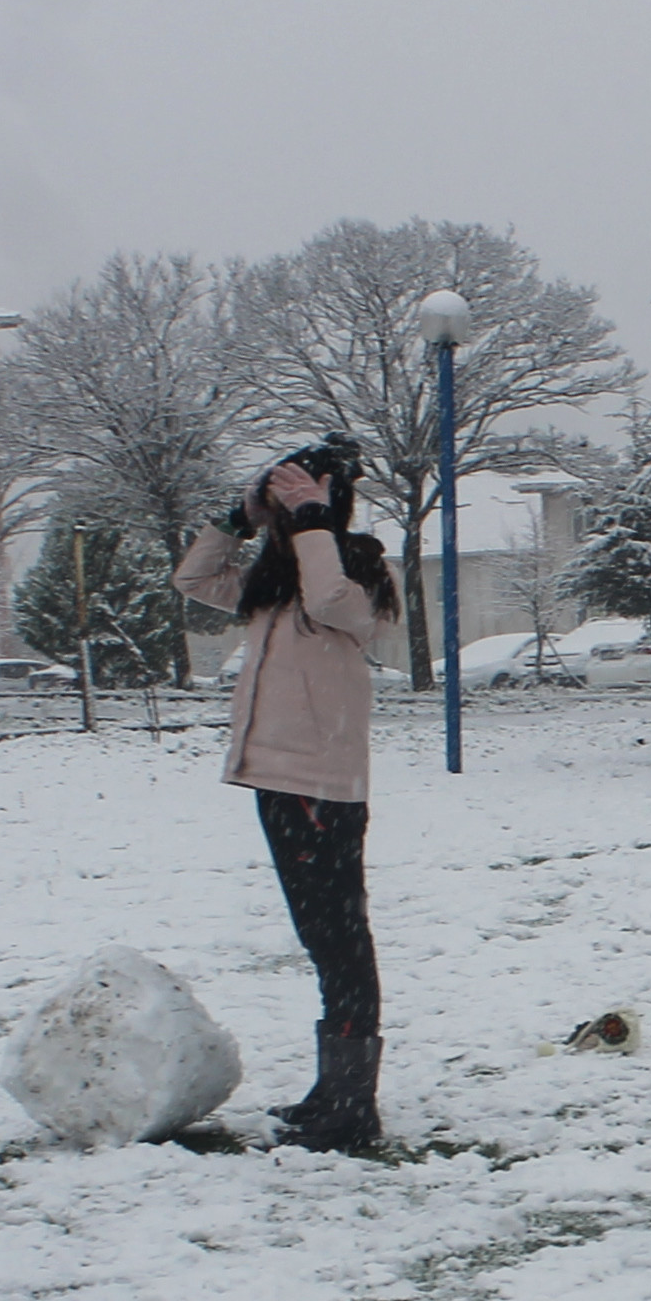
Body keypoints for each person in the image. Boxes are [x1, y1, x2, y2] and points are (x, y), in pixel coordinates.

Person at [176, 442, 401, 1150]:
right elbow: (192, 577)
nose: (286, 518)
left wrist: (314, 520)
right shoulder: (275, 579)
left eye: (299, 501)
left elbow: (333, 601)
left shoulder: (359, 569)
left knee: (340, 940)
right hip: (273, 779)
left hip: (321, 784)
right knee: (322, 938)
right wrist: (238, 516)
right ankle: (334, 1089)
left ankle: (352, 1105)